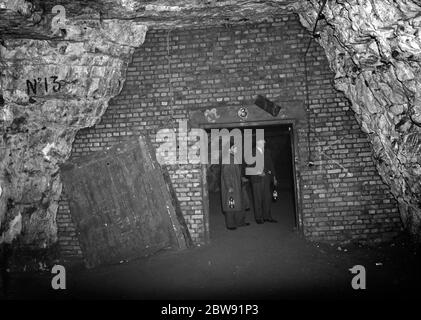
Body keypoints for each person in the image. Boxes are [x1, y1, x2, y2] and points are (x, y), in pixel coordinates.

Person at [220, 144, 250, 230]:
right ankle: (230, 224)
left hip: (237, 185)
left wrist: (241, 178)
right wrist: (229, 186)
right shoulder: (227, 158)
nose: (237, 149)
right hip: (232, 186)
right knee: (231, 205)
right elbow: (226, 174)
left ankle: (239, 222)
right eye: (234, 148)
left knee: (239, 204)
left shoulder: (233, 157)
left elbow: (235, 172)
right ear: (229, 149)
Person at [249, 138, 278, 224]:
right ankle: (258, 217)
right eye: (262, 142)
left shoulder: (267, 151)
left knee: (267, 198)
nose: (264, 143)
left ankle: (267, 216)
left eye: (264, 142)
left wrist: (274, 177)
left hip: (267, 178)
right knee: (258, 198)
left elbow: (271, 165)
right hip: (256, 179)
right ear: (258, 143)